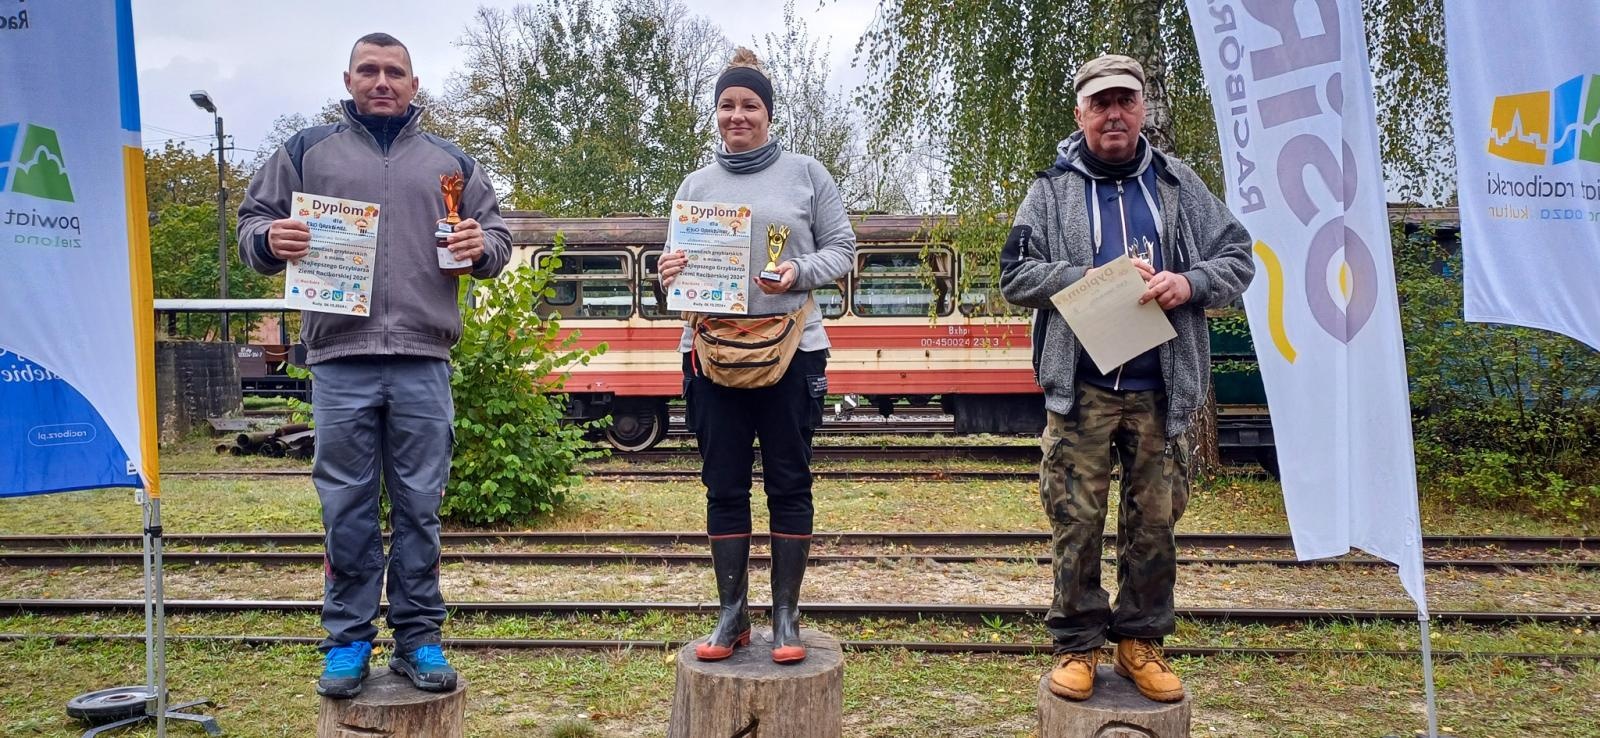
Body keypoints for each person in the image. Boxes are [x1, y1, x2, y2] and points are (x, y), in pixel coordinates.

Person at [237, 32, 511, 698]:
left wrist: (482, 246)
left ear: (415, 86)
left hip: (423, 358)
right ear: (349, 79)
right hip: (338, 359)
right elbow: (250, 228)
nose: (381, 81)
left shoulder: (452, 161)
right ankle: (348, 642)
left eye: (395, 72)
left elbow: (499, 239)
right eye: (369, 70)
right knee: (347, 510)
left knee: (421, 508)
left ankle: (418, 639)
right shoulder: (305, 152)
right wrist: (270, 239)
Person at [1000, 54, 1254, 703]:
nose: (1114, 114)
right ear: (1081, 111)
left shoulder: (1176, 185)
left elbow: (1238, 256)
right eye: (1100, 102)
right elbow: (1014, 276)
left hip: (1160, 392)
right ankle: (1078, 646)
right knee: (1075, 519)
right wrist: (1082, 281)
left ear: (1142, 109)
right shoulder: (1050, 191)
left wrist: (1188, 282)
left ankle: (1141, 641)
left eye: (1125, 101)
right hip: (1081, 388)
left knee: (1154, 522)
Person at [656, 47, 856, 664]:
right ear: (715, 113)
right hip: (709, 353)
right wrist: (670, 272)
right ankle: (732, 614)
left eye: (749, 105)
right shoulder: (694, 187)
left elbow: (844, 251)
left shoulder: (807, 174)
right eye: (726, 105)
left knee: (790, 481)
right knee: (723, 485)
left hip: (793, 351)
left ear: (768, 113)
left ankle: (787, 616)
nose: (737, 116)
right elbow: (674, 270)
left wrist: (797, 270)